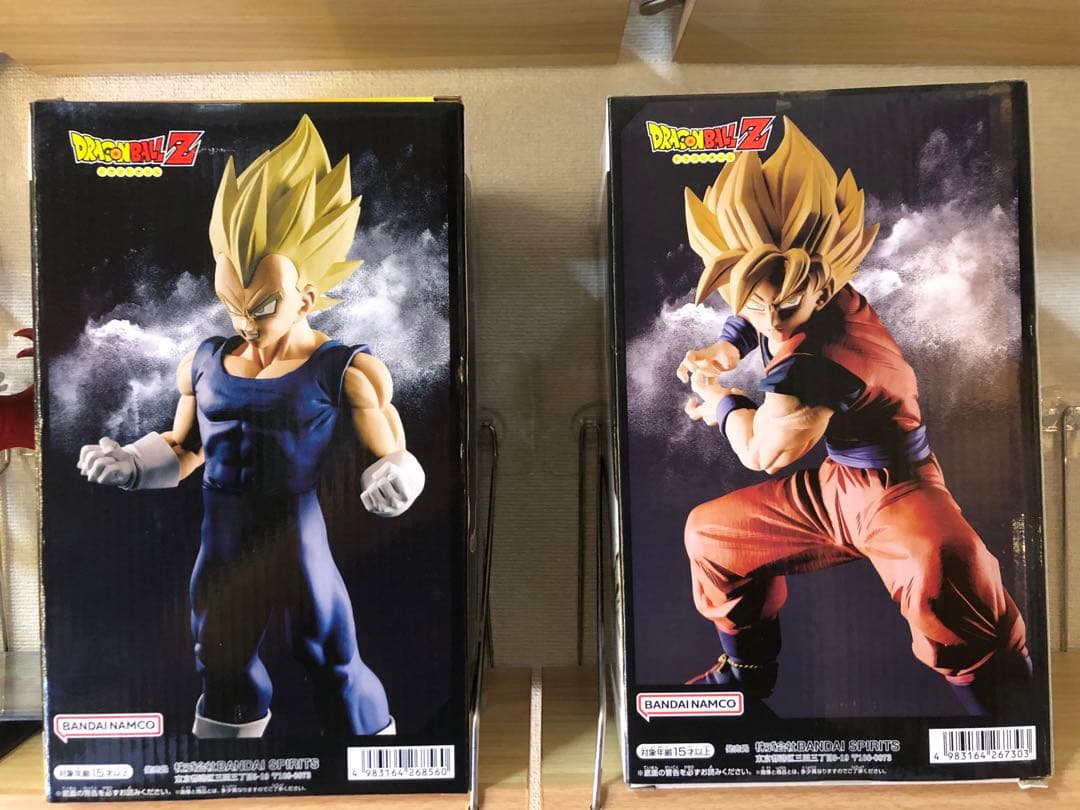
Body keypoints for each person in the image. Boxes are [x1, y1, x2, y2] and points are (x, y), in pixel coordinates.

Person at [76, 116, 424, 737]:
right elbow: (185, 448)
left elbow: (391, 452)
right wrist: (131, 464)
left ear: (306, 298)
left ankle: (373, 766)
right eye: (231, 303)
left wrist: (398, 478)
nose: (244, 322)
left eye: (261, 306)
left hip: (295, 532)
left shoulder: (347, 369)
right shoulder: (204, 361)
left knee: (330, 657)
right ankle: (224, 772)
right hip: (224, 531)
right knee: (220, 662)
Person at [677, 117, 1030, 715]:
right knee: (711, 537)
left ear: (820, 286)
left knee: (948, 588)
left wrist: (723, 401)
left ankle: (1007, 723)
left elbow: (764, 452)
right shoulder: (810, 285)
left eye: (786, 305)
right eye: (753, 304)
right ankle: (745, 682)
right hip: (839, 484)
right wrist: (728, 346)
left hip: (900, 492)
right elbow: (763, 298)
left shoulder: (815, 361)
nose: (771, 321)